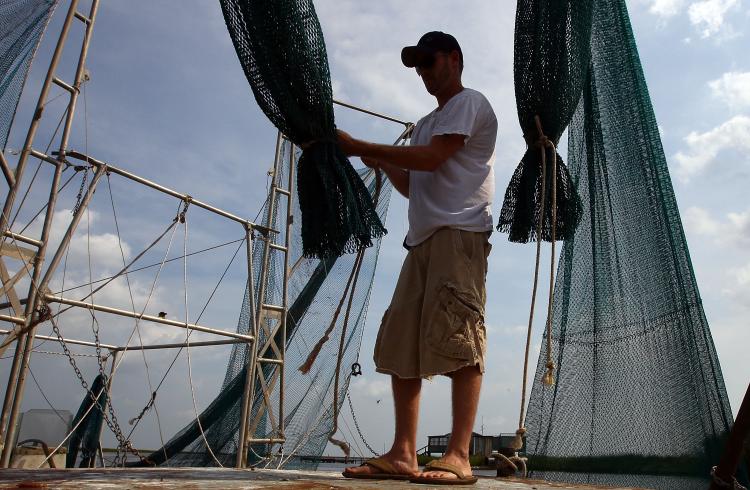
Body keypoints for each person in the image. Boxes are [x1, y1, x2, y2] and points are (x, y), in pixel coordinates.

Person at [338, 31, 497, 485]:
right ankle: (403, 453)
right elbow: (413, 183)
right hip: (421, 240)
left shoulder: (470, 103)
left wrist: (362, 146)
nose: (424, 72)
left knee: (460, 335)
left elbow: (430, 160)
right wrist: (382, 163)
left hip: (459, 234)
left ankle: (460, 455)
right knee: (402, 341)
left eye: (430, 62)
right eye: (418, 66)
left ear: (454, 59)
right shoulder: (426, 122)